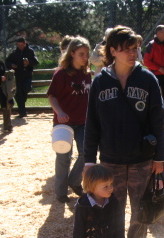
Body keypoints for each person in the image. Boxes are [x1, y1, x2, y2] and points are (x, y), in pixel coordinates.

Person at [84, 26, 164, 238]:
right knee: (112, 212)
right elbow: (92, 123)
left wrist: (160, 157)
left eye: (135, 48)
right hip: (110, 160)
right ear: (112, 51)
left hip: (142, 159)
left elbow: (157, 121)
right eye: (126, 49)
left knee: (140, 211)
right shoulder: (100, 81)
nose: (133, 53)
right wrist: (88, 160)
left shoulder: (148, 79)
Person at [47, 36, 92, 203]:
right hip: (63, 123)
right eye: (81, 53)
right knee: (63, 157)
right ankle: (61, 192)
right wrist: (59, 112)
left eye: (86, 53)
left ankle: (74, 181)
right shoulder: (61, 74)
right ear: (72, 53)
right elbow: (52, 96)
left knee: (87, 153)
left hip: (83, 121)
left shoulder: (87, 74)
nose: (85, 57)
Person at [143, 25, 164, 112]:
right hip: (155, 75)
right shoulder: (151, 45)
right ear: (158, 33)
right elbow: (146, 61)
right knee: (154, 96)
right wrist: (158, 68)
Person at [5, 37, 39, 118]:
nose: (20, 46)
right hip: (18, 75)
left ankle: (22, 106)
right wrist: (11, 65)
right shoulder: (14, 52)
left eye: (22, 45)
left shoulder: (30, 51)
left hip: (27, 75)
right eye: (18, 45)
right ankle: (22, 112)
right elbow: (7, 61)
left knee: (26, 88)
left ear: (25, 43)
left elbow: (36, 61)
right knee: (18, 93)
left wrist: (29, 62)